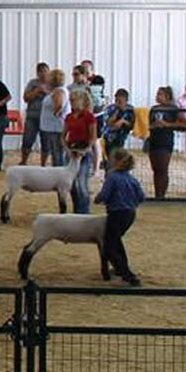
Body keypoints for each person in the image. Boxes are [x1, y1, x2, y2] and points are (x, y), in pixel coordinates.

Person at [95, 149, 144, 286]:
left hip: (116, 214)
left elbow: (104, 195)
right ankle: (122, 269)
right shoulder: (132, 178)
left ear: (115, 161)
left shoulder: (112, 177)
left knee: (109, 247)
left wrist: (97, 199)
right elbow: (141, 197)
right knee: (116, 241)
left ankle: (127, 274)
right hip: (130, 214)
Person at [148, 86, 186, 199]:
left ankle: (161, 195)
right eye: (157, 93)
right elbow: (148, 125)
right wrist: (153, 126)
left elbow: (184, 124)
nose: (157, 96)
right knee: (155, 170)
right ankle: (157, 194)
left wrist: (167, 125)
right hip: (154, 140)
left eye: (160, 94)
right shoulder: (154, 109)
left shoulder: (173, 109)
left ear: (167, 96)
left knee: (162, 169)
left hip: (165, 142)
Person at [64, 89, 98, 213]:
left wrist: (87, 150)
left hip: (83, 151)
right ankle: (77, 210)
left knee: (82, 183)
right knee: (72, 184)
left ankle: (84, 211)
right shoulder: (69, 117)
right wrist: (67, 149)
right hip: (71, 151)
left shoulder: (89, 117)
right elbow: (63, 135)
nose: (71, 103)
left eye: (73, 100)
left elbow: (93, 137)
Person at [20, 62, 52, 166]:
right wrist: (37, 91)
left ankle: (43, 164)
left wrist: (46, 91)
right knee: (27, 139)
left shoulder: (53, 84)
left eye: (45, 72)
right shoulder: (32, 83)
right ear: (37, 73)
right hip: (32, 116)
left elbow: (56, 98)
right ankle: (24, 161)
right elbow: (25, 98)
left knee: (46, 142)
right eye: (41, 72)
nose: (43, 74)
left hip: (47, 118)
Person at [40, 69, 70, 167]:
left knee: (57, 152)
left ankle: (58, 171)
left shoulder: (59, 91)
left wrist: (56, 113)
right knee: (56, 151)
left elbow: (59, 104)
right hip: (54, 127)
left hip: (56, 127)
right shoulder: (57, 90)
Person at [100, 89, 134, 171]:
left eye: (120, 101)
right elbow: (108, 122)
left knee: (121, 162)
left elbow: (132, 125)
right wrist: (117, 112)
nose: (118, 103)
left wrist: (123, 121)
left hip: (121, 138)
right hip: (109, 138)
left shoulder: (131, 110)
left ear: (126, 100)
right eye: (116, 100)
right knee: (110, 163)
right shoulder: (111, 108)